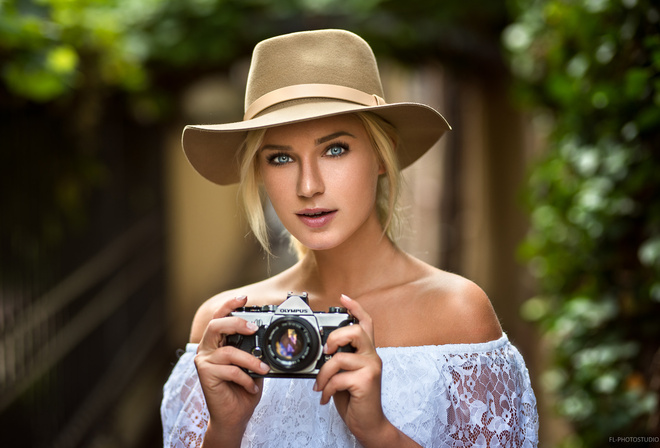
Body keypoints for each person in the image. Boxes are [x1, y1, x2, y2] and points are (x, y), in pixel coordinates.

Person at [161, 29, 538, 447]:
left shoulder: (456, 313)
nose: (308, 185)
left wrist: (378, 432)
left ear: (382, 154)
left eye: (335, 149)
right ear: (259, 172)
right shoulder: (226, 326)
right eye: (281, 157)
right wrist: (225, 430)